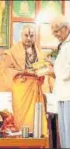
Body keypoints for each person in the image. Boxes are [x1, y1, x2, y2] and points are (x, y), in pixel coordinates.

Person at [0, 25, 53, 136]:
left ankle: (37, 140)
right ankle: (22, 140)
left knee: (36, 116)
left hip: (36, 89)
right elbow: (6, 69)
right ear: (21, 36)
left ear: (35, 37)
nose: (29, 38)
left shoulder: (39, 52)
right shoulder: (12, 52)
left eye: (32, 35)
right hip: (20, 89)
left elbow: (43, 68)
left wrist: (42, 71)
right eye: (26, 35)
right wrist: (25, 72)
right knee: (21, 118)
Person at [49, 15, 70, 148]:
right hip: (62, 93)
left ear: (67, 28)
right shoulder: (63, 45)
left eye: (57, 30)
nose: (54, 34)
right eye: (53, 31)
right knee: (63, 132)